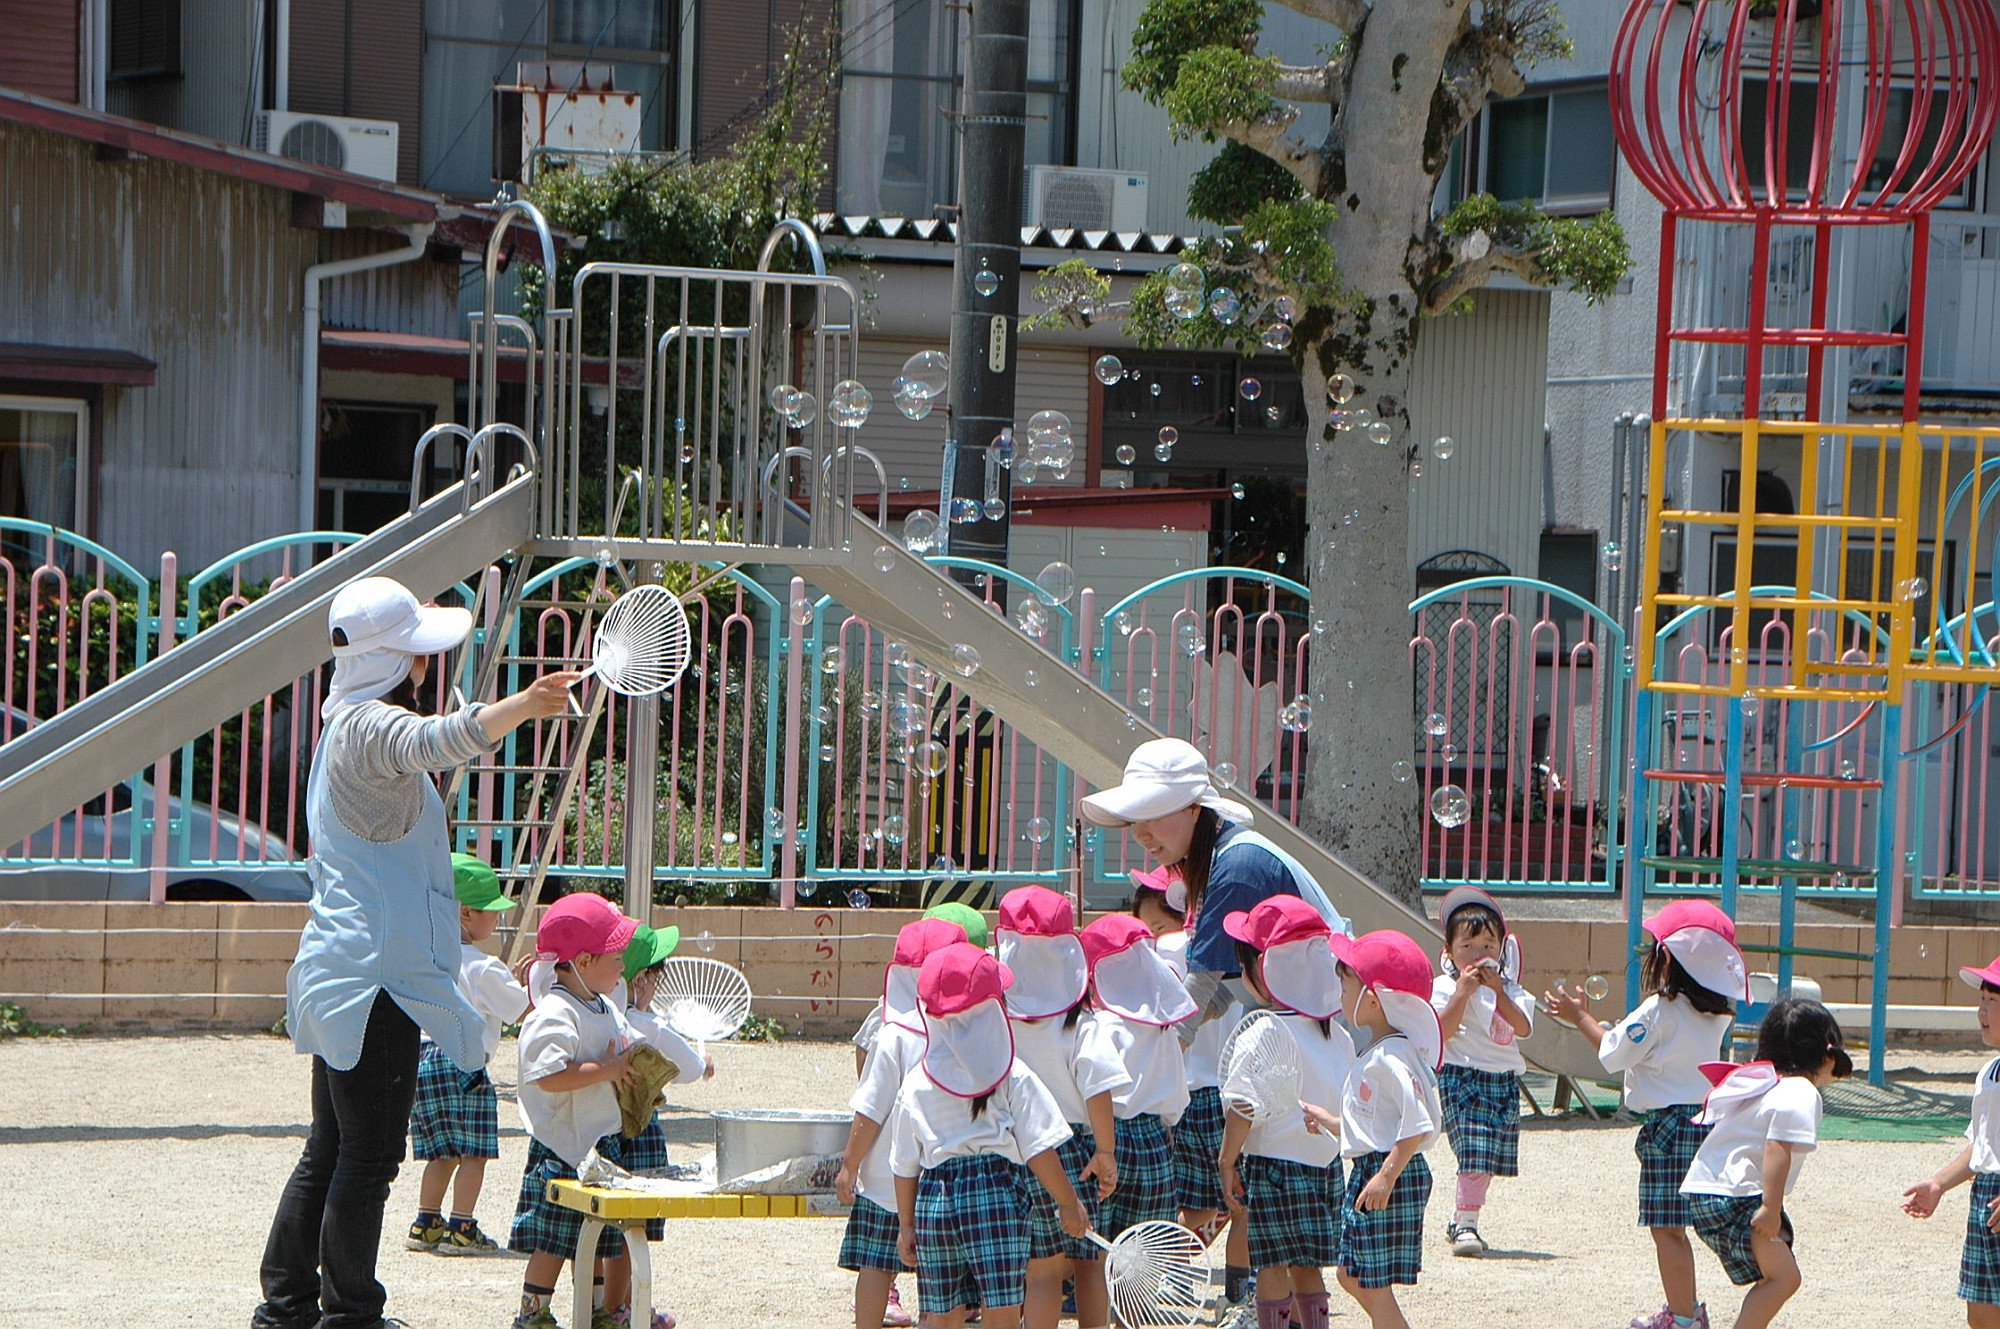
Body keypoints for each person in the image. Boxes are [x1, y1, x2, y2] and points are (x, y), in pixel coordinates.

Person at [253, 576, 579, 1329]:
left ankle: (287, 1306)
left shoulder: (342, 722)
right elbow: (435, 739)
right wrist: (524, 705)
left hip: (345, 967)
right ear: (404, 662)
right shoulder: (371, 727)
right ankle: (350, 1314)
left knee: (331, 1148)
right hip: (378, 980)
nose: (430, 664)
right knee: (366, 1158)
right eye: (421, 652)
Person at [1543, 899, 1747, 1329]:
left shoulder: (1660, 1010)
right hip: (1703, 1121)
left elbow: (1612, 1053)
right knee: (1680, 1226)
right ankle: (1687, 1310)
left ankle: (1683, 1318)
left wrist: (1581, 1015)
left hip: (1668, 1128)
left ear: (1668, 957)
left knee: (1667, 1228)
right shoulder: (1716, 1015)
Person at [887, 942, 1090, 1329]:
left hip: (935, 1197)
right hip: (997, 1194)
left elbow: (904, 1163)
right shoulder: (1012, 1074)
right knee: (1002, 1309)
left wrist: (907, 1225)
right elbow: (1039, 1148)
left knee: (941, 1312)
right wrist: (1067, 1201)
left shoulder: (917, 1081)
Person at [508, 892, 662, 1329]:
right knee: (553, 1237)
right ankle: (531, 1314)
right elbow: (547, 1075)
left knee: (596, 1237)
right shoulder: (555, 1012)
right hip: (563, 1144)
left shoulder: (604, 1004)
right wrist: (607, 1070)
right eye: (615, 954)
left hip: (599, 1140)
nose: (622, 963)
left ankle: (592, 1310)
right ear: (583, 960)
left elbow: (627, 1039)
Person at [1216, 897, 1354, 1329]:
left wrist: (1226, 1161)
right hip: (1324, 1166)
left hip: (1274, 1167)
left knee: (1272, 1266)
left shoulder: (1262, 1031)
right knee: (1307, 1267)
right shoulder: (1337, 1036)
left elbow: (1243, 1104)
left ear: (1264, 969)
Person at [996, 886, 1129, 1329]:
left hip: (1016, 1149)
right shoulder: (1080, 1023)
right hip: (1074, 1148)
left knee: (1041, 1270)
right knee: (1090, 1261)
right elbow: (1099, 1089)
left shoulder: (996, 1019)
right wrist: (1105, 1151)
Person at [1680, 999, 1851, 1329]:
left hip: (1706, 1193)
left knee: (1776, 1273)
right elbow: (1777, 1147)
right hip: (1735, 1195)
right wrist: (1772, 1207)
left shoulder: (1764, 1083)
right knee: (1784, 1278)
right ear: (1826, 1053)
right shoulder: (1801, 1090)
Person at [837, 917, 969, 1329]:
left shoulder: (894, 1034)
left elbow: (870, 1108)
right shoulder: (966, 1033)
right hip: (940, 1178)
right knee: (941, 1276)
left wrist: (850, 1164)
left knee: (876, 1264)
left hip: (884, 1179)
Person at [1137, 865, 1255, 1306]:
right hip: (1222, 1092)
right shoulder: (1240, 953)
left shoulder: (1164, 948)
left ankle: (1174, 1278)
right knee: (1241, 1201)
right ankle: (1239, 1294)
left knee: (1196, 1202)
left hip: (1180, 1088)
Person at [405, 853, 532, 1257]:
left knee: (440, 1150)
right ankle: (462, 1225)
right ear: (465, 914)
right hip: (464, 1061)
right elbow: (523, 1010)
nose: (496, 919)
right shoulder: (485, 967)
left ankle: (426, 1222)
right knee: (474, 1150)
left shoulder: (427, 958)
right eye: (489, 911)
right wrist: (534, 983)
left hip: (424, 1058)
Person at [1325, 929, 1444, 1329]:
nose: (1340, 997)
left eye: (1345, 987)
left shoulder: (1391, 1056)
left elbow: (1417, 1124)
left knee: (1369, 1282)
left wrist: (1385, 1176)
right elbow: (1375, 1122)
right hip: (1378, 1168)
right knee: (1352, 1274)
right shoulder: (1386, 1050)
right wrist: (1326, 1123)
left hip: (1387, 1172)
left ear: (1372, 1000)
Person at [1427, 887, 1533, 1257]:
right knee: (1473, 1151)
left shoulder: (1511, 988)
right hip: (1461, 1076)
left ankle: (1461, 1217)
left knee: (1486, 1158)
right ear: (1449, 953)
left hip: (1502, 1081)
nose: (1478, 955)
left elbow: (1521, 1027)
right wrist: (1462, 994)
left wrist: (1500, 992)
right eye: (1468, 947)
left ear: (1501, 951)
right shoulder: (1443, 987)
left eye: (1488, 946)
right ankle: (1467, 1225)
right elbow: (1441, 1030)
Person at [1080, 914, 1197, 1238]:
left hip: (1102, 1137)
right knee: (1148, 1244)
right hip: (1153, 1139)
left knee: (1097, 1248)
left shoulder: (1096, 1025)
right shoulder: (1161, 1028)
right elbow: (1177, 1098)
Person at [1902, 952, 2000, 1328]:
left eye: (1993, 1001)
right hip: (1985, 1199)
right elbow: (1982, 1145)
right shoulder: (1989, 1072)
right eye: (1982, 1000)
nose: (1982, 1011)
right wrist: (1939, 1182)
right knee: (1981, 1314)